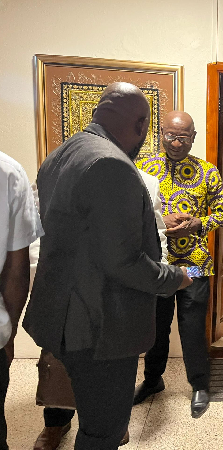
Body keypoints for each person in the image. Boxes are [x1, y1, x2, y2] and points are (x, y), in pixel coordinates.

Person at [23, 82, 192, 449]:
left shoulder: (61, 154)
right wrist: (174, 277)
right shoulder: (111, 164)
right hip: (99, 325)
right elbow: (123, 261)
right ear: (142, 125)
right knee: (103, 432)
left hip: (64, 314)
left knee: (93, 417)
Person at [30, 168, 168, 450]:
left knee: (117, 361)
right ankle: (56, 422)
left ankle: (115, 421)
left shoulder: (145, 181)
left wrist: (154, 277)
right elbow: (37, 231)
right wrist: (46, 277)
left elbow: (156, 236)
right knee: (60, 357)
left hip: (120, 291)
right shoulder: (58, 174)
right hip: (68, 289)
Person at [133, 111, 223, 418]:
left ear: (193, 137)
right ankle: (153, 380)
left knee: (192, 329)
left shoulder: (208, 172)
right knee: (156, 328)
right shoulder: (142, 168)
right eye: (170, 136)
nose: (176, 143)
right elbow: (132, 212)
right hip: (156, 264)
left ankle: (199, 385)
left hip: (195, 265)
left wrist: (198, 224)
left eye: (183, 137)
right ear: (161, 133)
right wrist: (163, 220)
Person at [0, 151, 44, 450]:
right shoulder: (11, 173)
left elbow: (17, 266)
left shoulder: (8, 173)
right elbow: (22, 261)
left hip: (191, 267)